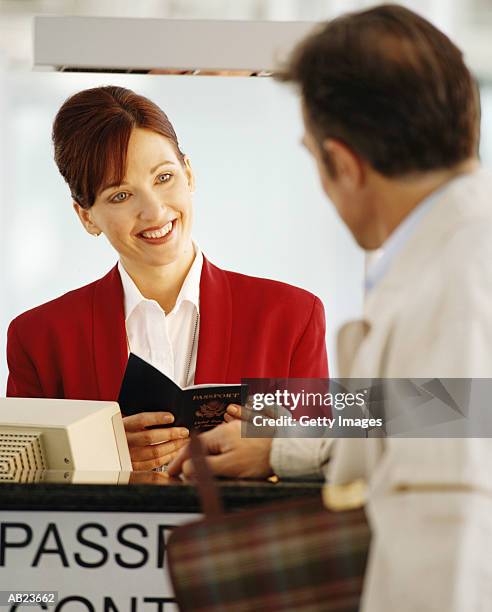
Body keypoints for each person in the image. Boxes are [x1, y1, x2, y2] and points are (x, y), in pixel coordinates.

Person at [169, 5, 492, 610]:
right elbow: (445, 405)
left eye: (314, 157)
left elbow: (455, 530)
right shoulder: (450, 255)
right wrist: (278, 436)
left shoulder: (458, 280)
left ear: (343, 163)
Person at [6, 85, 328, 470]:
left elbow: (330, 470)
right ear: (86, 216)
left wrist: (279, 451)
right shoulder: (40, 338)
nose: (154, 211)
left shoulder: (291, 316)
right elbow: (17, 481)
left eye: (163, 178)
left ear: (189, 173)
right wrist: (100, 456)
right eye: (121, 196)